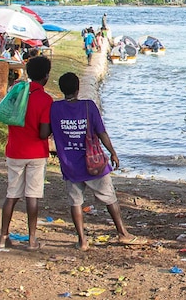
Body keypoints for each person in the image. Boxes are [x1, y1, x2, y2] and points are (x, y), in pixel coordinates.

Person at [49, 71, 147, 250]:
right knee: (110, 198)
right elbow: (101, 132)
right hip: (93, 163)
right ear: (78, 89)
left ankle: (82, 240)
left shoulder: (54, 108)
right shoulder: (88, 106)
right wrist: (113, 152)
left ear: (62, 90)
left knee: (76, 202)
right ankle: (123, 233)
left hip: (69, 164)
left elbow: (47, 131)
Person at [0, 56, 52, 251]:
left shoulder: (17, 93)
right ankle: (31, 239)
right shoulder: (45, 99)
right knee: (32, 196)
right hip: (36, 153)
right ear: (46, 76)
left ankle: (3, 237)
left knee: (11, 195)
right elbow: (43, 132)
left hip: (15, 150)